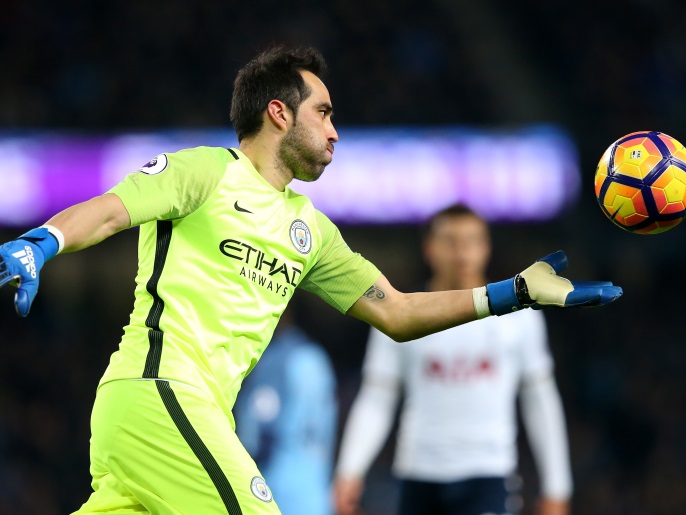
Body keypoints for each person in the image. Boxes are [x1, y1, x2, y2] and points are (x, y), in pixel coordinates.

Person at [0, 46, 620, 514]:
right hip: (159, 391)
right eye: (322, 112)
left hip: (172, 417)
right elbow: (110, 209)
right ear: (279, 112)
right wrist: (44, 241)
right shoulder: (204, 173)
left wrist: (511, 293)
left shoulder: (311, 230)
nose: (334, 130)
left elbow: (398, 312)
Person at [334, 205, 573, 515]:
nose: (462, 252)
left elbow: (539, 399)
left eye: (472, 241)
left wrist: (557, 488)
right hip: (418, 472)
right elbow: (378, 397)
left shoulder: (518, 318)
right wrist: (349, 470)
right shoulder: (400, 316)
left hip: (488, 473)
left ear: (486, 247)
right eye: (450, 241)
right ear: (429, 248)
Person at [234, 307, 337, 515]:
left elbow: (259, 429)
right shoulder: (316, 356)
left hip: (277, 492)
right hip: (316, 492)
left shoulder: (277, 359)